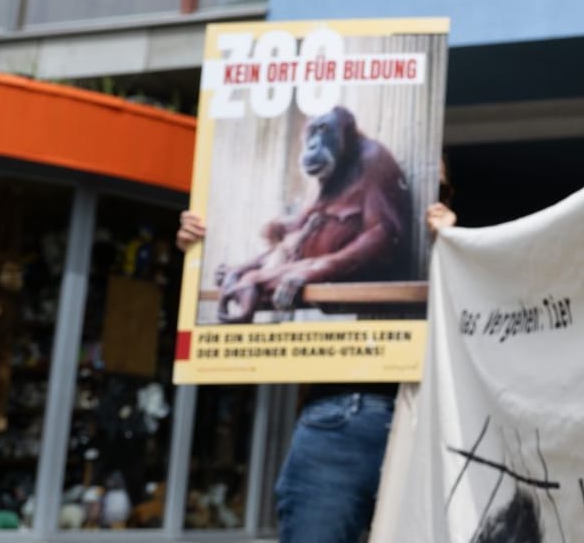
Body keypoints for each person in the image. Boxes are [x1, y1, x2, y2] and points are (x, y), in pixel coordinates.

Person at [175, 162, 458, 543]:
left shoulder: (456, 250)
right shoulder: (330, 215)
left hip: (426, 423)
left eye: (435, 189)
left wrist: (455, 246)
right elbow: (278, 254)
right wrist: (198, 248)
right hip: (341, 404)